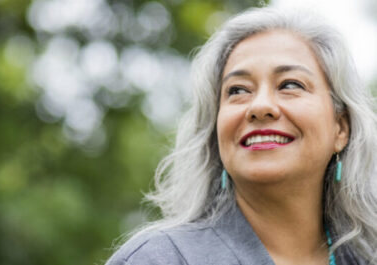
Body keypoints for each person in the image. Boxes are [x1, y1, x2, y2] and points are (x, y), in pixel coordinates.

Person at [106, 6, 377, 265]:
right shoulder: (157, 259)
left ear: (341, 128)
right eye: (237, 90)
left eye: (290, 84)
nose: (259, 107)